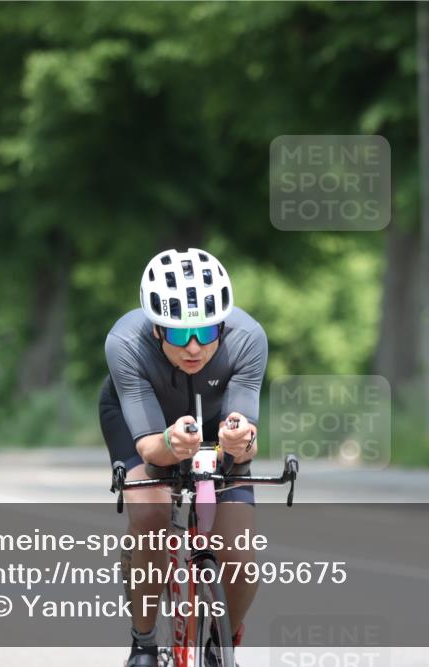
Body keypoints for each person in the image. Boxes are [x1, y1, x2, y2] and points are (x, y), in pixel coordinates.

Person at [100, 248, 266, 667]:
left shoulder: (249, 338)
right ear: (157, 330)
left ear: (222, 324)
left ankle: (219, 646)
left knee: (241, 559)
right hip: (140, 422)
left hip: (211, 423)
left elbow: (247, 438)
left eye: (206, 332)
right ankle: (143, 643)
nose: (193, 347)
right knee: (151, 514)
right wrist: (171, 446)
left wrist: (240, 441)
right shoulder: (124, 342)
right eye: (177, 335)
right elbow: (149, 447)